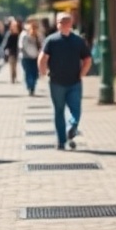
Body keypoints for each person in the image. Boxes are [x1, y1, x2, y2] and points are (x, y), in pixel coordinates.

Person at [37, 12, 92, 150]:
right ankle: (64, 137)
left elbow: (87, 59)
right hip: (59, 82)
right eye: (62, 22)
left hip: (72, 82)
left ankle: (68, 132)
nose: (63, 24)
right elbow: (42, 58)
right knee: (64, 111)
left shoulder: (77, 41)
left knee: (67, 111)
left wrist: (82, 74)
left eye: (64, 21)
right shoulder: (52, 40)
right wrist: (44, 72)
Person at [19, 20, 44, 96]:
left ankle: (32, 86)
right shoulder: (24, 35)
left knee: (35, 73)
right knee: (28, 73)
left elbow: (43, 45)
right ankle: (30, 87)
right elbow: (21, 46)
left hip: (36, 57)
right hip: (26, 57)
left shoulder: (39, 36)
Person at [2, 18, 22, 85]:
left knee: (15, 65)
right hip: (11, 52)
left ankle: (15, 77)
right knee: (12, 66)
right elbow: (6, 43)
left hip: (17, 51)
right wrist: (5, 49)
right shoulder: (9, 34)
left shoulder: (19, 33)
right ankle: (12, 78)